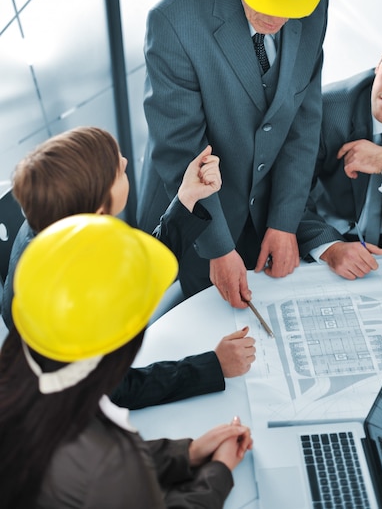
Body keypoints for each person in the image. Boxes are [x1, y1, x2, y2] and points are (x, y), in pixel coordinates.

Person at [136, 0, 333, 308]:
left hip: (267, 215)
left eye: (289, 8)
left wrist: (284, 219)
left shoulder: (314, 5)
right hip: (197, 221)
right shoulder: (176, 19)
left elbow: (304, 121)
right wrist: (218, 248)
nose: (276, 20)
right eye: (265, 2)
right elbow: (180, 150)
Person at [0, 214, 252, 508]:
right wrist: (218, 470)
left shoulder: (28, 378)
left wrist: (188, 452)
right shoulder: (109, 458)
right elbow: (108, 471)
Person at [1, 126, 256, 408]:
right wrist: (213, 366)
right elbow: (115, 388)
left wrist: (186, 198)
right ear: (99, 210)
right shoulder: (72, 298)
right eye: (117, 171)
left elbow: (135, 268)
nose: (124, 162)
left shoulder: (52, 219)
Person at [297, 20, 382, 279]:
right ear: (379, 63)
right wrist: (329, 247)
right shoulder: (325, 110)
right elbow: (286, 195)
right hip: (331, 241)